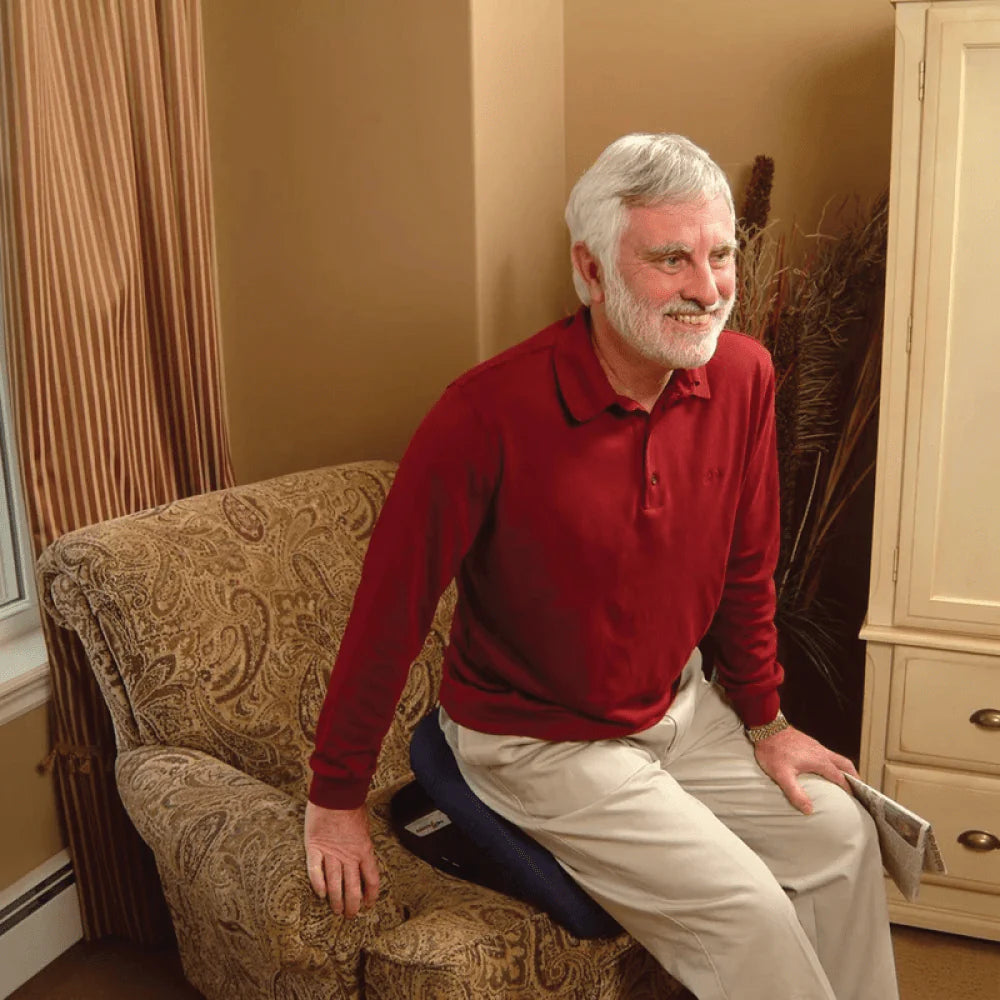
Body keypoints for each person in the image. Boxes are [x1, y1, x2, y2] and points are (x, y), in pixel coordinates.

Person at [303, 133, 899, 1000]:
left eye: (721, 254)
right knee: (749, 913)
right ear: (590, 271)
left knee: (841, 836)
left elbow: (747, 565)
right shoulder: (481, 415)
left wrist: (766, 721)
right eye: (670, 259)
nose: (707, 289)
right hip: (537, 741)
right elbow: (389, 612)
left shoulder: (743, 376)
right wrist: (335, 797)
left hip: (679, 711)